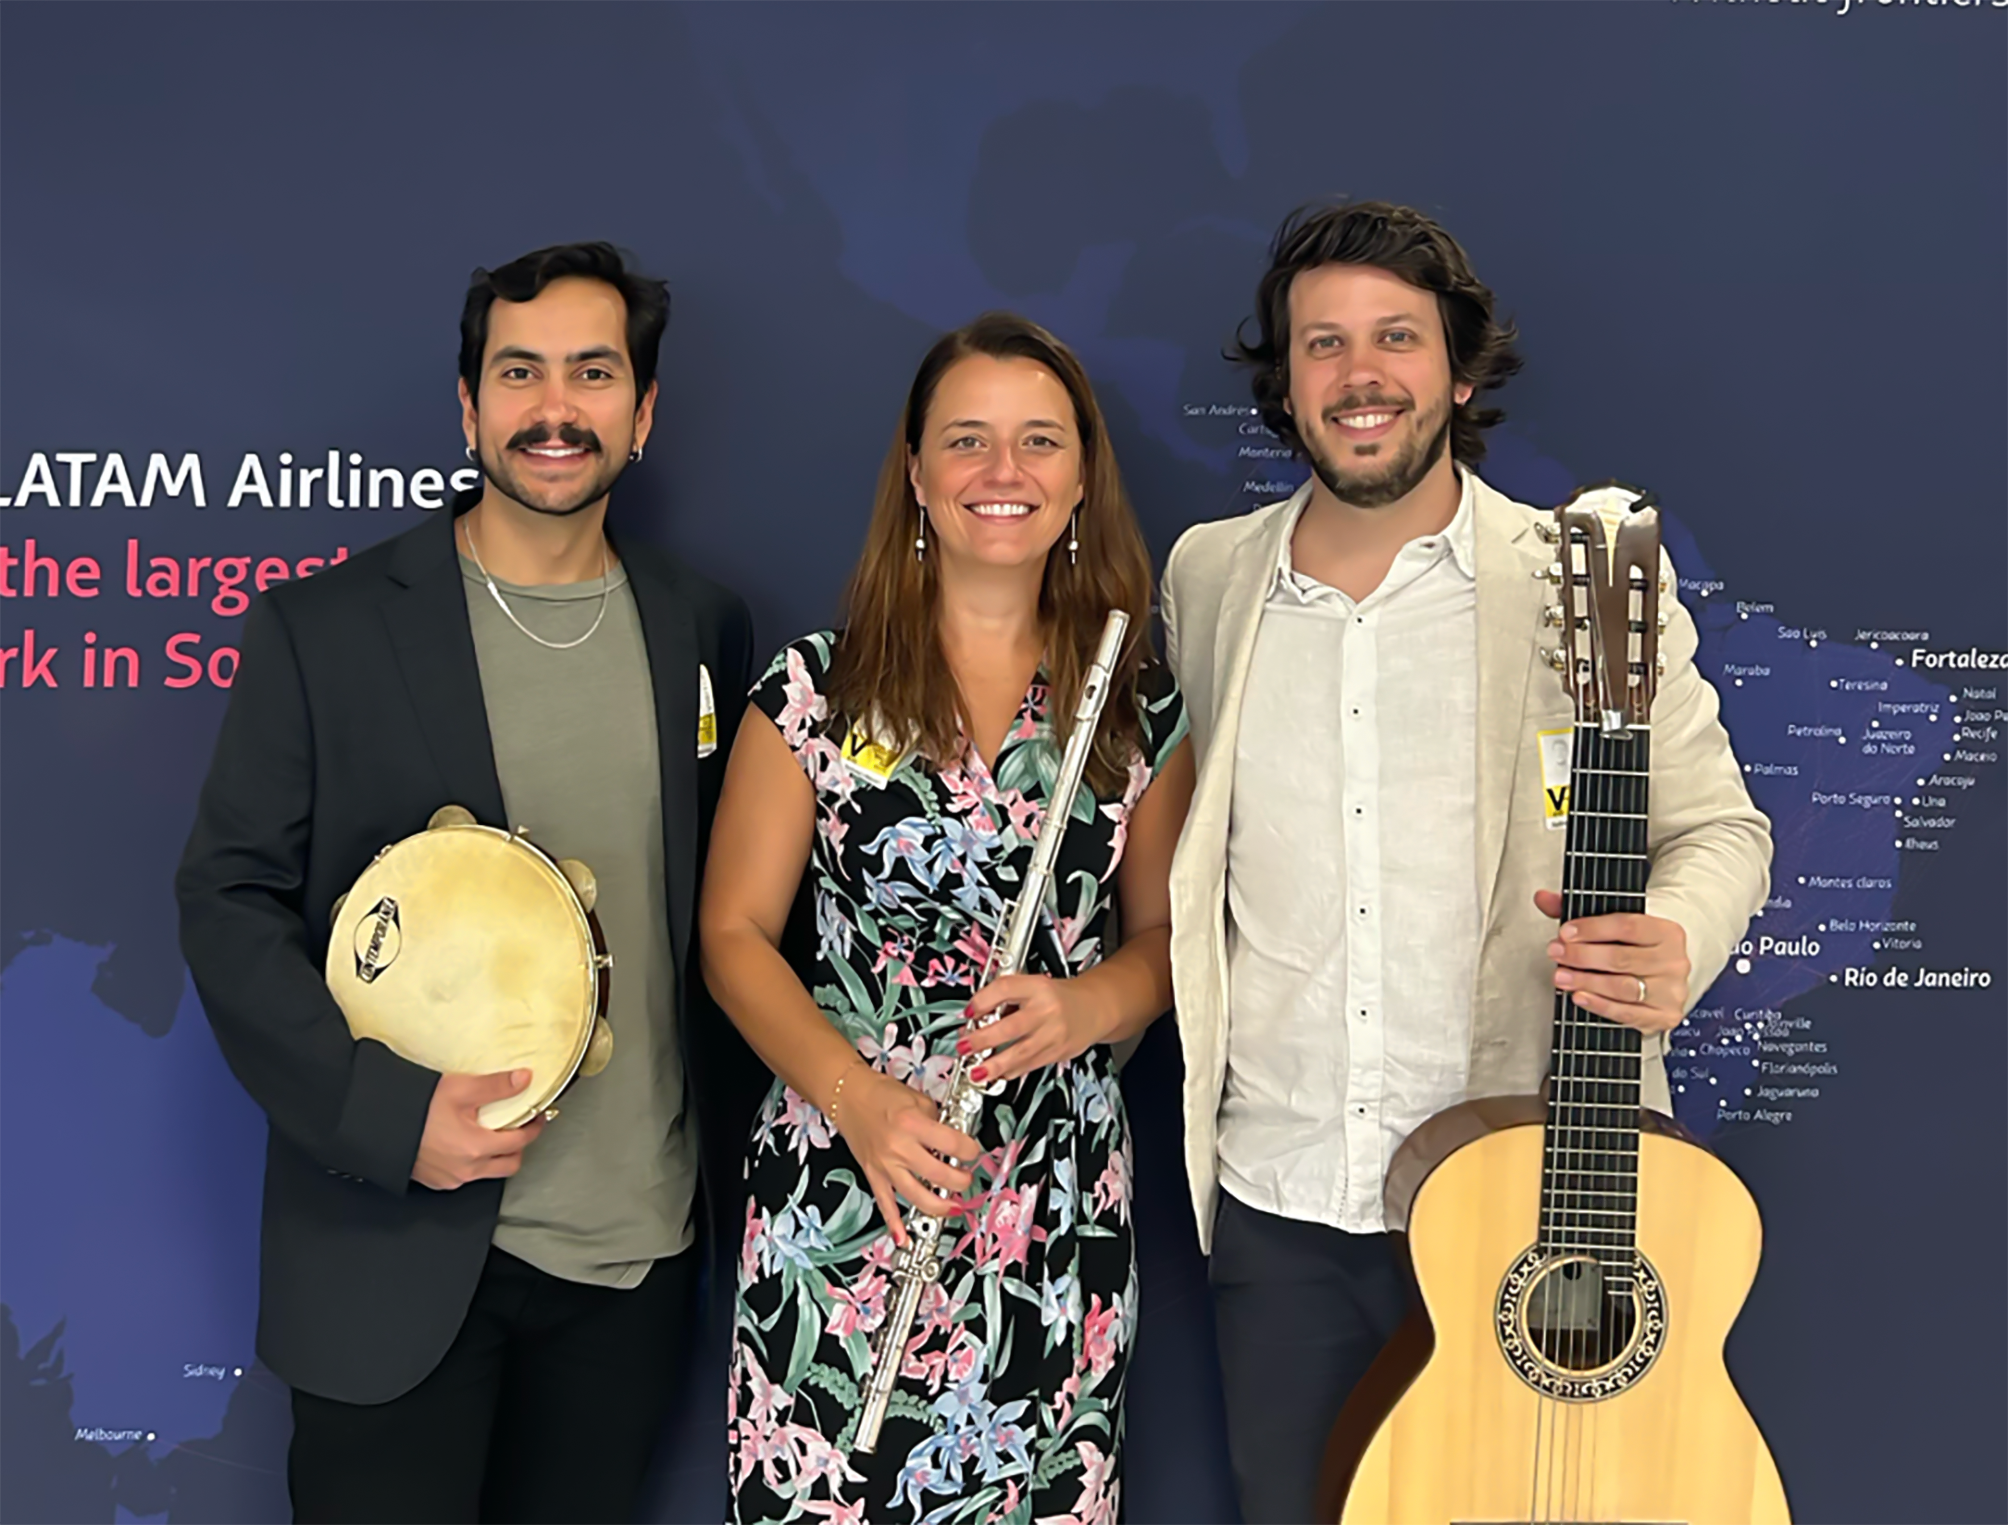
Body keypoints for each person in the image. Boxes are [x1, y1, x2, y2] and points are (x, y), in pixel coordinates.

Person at [1161, 201, 1773, 1525]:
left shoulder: (1579, 576)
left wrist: (1676, 931)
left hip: (1533, 1214)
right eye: (1322, 342)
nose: (1359, 373)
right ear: (1285, 380)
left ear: (1458, 370)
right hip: (1282, 1207)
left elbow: (1722, 828)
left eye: (1395, 336)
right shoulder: (1206, 582)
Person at [175, 241, 760, 1525]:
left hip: (628, 1263)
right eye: (519, 371)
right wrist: (389, 1119)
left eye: (594, 373)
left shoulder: (703, 628)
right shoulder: (326, 629)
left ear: (644, 412)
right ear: (467, 405)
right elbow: (227, 900)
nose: (556, 407)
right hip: (391, 1253)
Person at [699, 312, 1195, 1525]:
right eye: (966, 439)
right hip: (845, 1183)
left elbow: (1171, 944)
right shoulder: (814, 687)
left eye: (1038, 440)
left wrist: (1087, 1004)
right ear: (916, 472)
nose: (1001, 470)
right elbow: (731, 936)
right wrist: (858, 1101)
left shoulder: (1134, 701)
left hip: (1051, 1199)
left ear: (1081, 478)